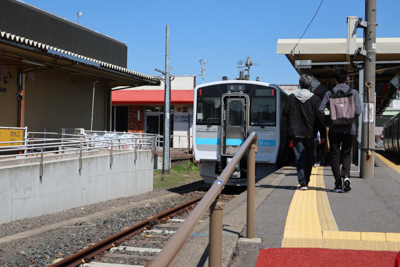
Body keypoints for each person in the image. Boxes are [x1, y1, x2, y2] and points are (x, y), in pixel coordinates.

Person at [318, 68, 361, 193]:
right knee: (346, 154)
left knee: (334, 156)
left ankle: (338, 184)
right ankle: (346, 176)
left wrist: (326, 122)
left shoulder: (329, 93)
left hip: (334, 128)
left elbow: (320, 110)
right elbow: (358, 111)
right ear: (347, 79)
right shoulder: (353, 92)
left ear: (335, 80)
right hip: (349, 128)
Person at [283, 74, 325, 190]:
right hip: (310, 132)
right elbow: (320, 117)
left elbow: (285, 112)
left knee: (299, 157)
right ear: (311, 86)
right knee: (309, 156)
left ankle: (302, 181)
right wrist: (322, 133)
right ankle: (307, 179)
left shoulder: (291, 97)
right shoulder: (316, 99)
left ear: (300, 84)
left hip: (295, 131)